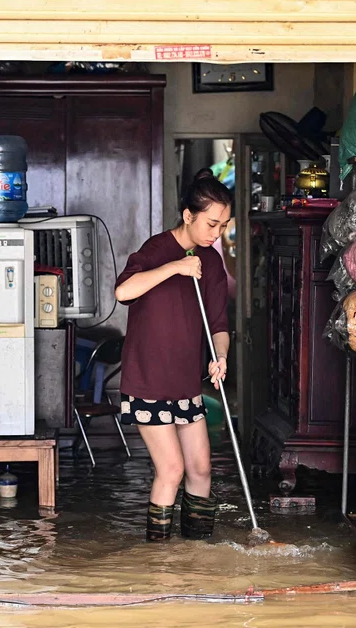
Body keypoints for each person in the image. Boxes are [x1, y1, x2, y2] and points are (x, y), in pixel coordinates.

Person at [114, 168, 232, 542]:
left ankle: (194, 556)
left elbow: (219, 323)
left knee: (201, 469)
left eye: (223, 226)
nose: (217, 234)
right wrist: (176, 267)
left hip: (185, 383)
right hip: (148, 381)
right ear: (188, 215)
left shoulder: (212, 262)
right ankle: (160, 562)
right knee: (172, 469)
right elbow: (123, 293)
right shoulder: (156, 249)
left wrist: (221, 356)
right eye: (212, 224)